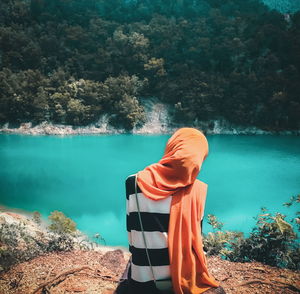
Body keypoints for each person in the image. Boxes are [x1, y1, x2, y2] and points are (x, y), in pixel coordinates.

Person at [116, 128, 225, 294]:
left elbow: (131, 234)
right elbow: (196, 240)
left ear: (172, 148)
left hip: (142, 278)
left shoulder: (133, 182)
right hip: (183, 278)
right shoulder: (199, 191)